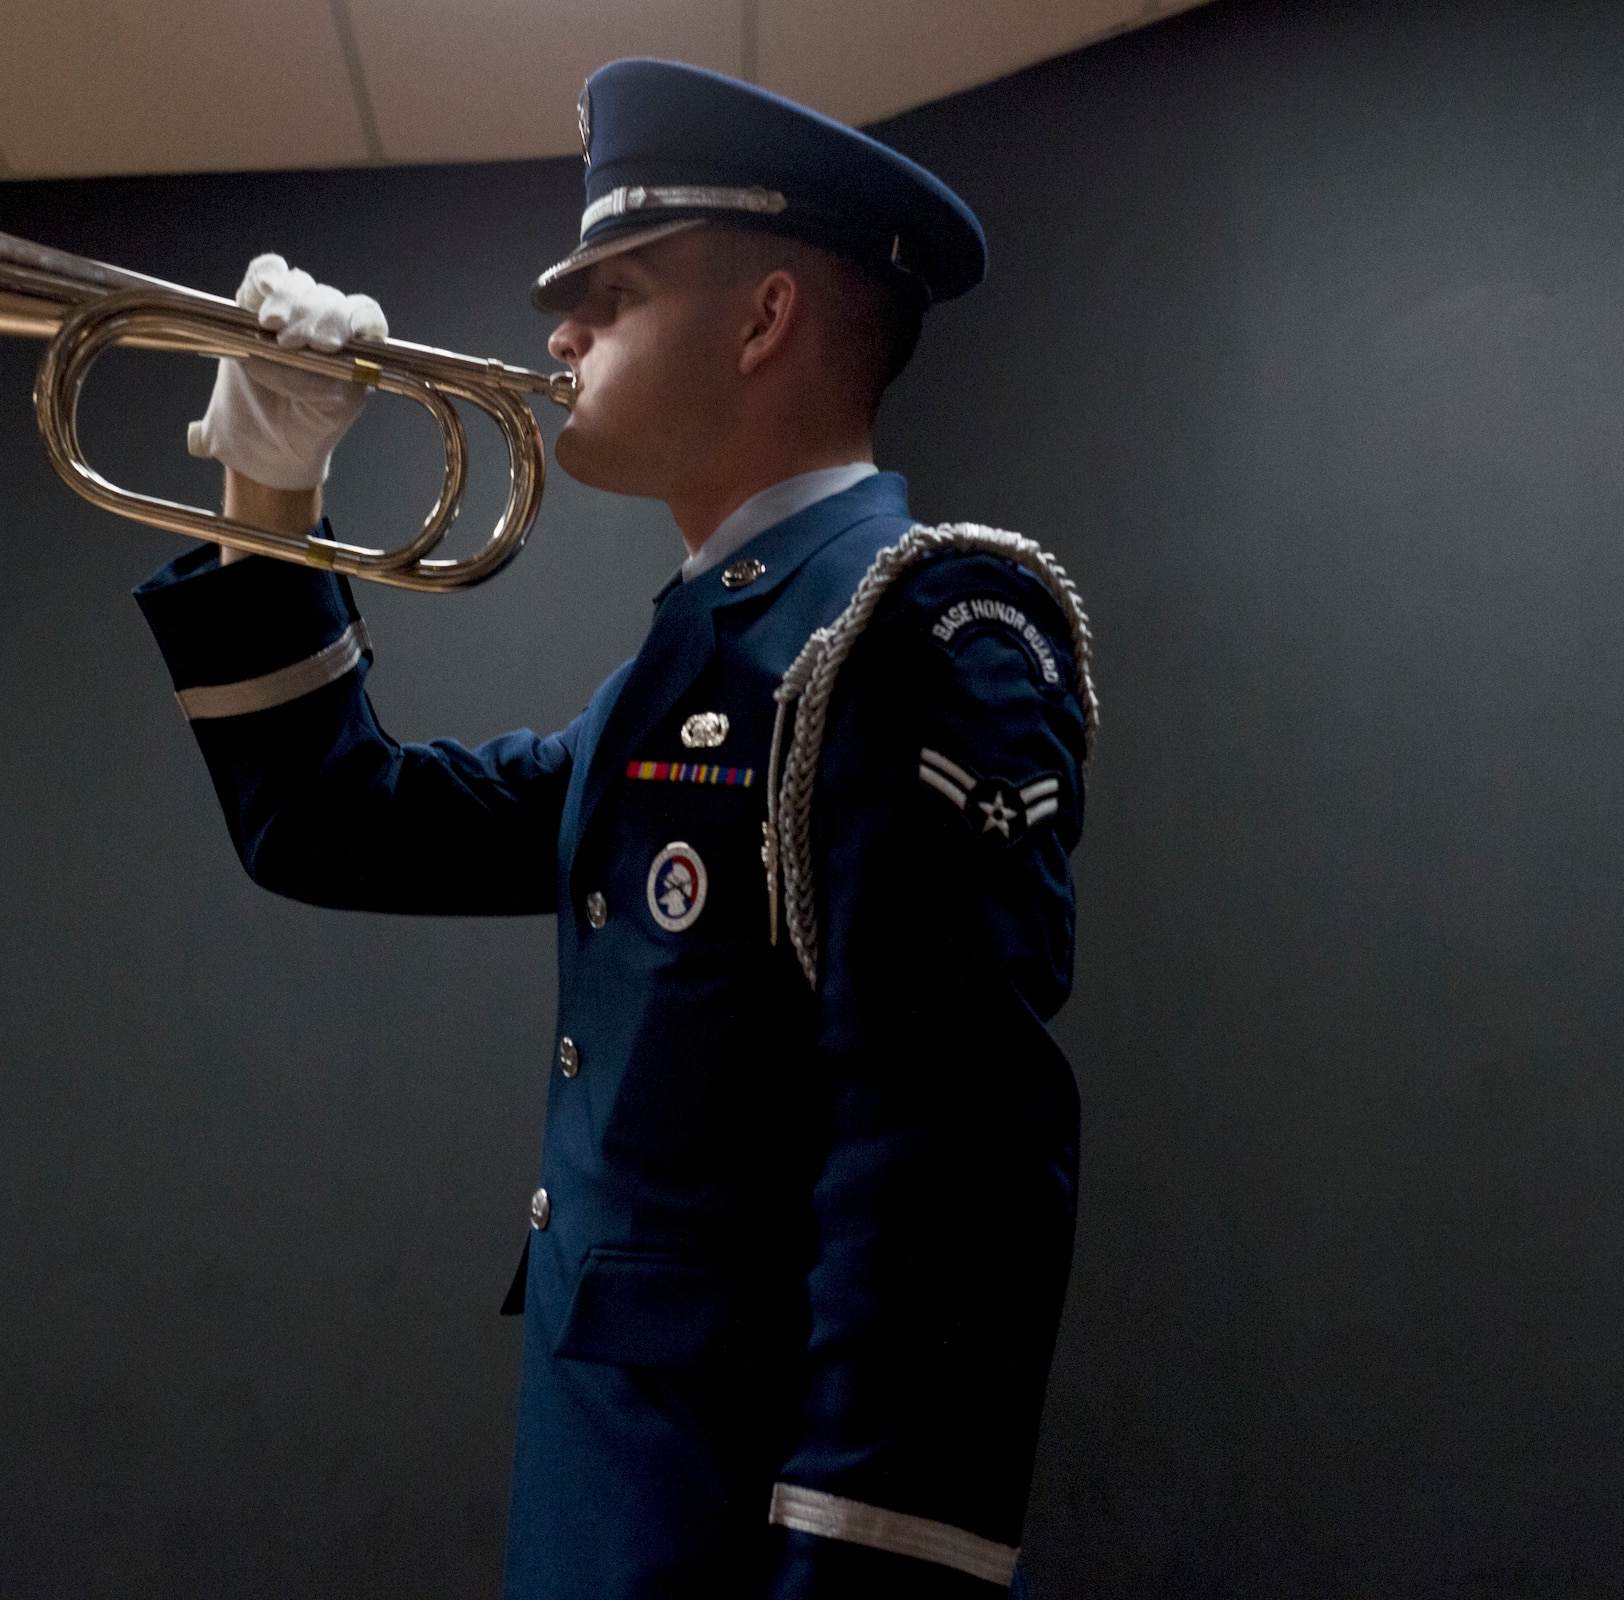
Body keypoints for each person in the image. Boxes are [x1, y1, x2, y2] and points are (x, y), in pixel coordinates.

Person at [134, 58, 1095, 1600]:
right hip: (616, 1508)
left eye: (612, 290)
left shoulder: (924, 633)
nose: (558, 333)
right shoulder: (699, 658)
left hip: (730, 1549)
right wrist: (271, 483)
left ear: (765, 318)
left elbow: (952, 1200)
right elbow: (334, 824)